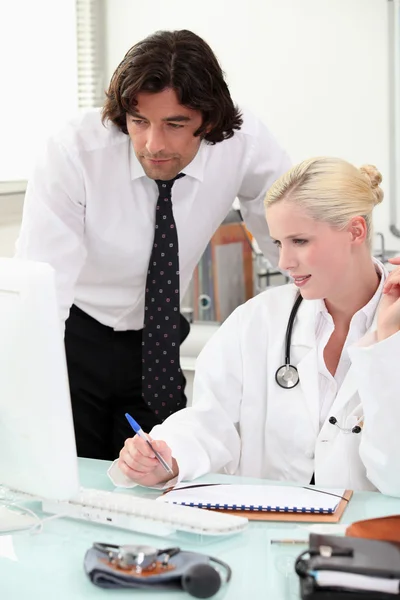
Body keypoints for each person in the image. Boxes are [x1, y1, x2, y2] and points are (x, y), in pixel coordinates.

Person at [15, 30, 290, 460]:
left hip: (157, 340)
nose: (153, 145)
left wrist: (357, 295)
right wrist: (25, 386)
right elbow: (44, 284)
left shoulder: (245, 144)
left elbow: (290, 234)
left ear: (210, 121)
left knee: (160, 471)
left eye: (175, 124)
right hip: (74, 336)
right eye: (139, 122)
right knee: (67, 474)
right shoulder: (74, 151)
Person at [111, 156, 400, 496]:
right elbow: (210, 420)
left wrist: (387, 344)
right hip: (269, 532)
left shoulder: (393, 324)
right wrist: (167, 456)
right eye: (279, 243)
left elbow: (394, 477)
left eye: (300, 241)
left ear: (355, 231)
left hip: (371, 539)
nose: (283, 262)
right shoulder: (258, 319)